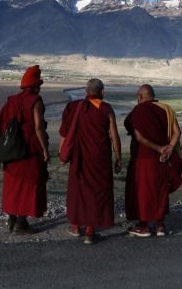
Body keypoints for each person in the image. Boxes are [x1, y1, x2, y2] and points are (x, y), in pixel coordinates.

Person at [58, 78, 122, 245]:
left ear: (86, 92)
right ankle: (90, 232)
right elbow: (114, 135)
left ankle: (76, 226)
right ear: (103, 92)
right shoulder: (106, 108)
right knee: (97, 193)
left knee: (78, 192)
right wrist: (119, 158)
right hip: (99, 158)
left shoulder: (73, 107)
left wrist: (62, 153)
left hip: (79, 158)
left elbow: (65, 133)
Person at [0, 65, 50, 234]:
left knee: (13, 185)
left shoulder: (12, 100)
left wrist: (1, 144)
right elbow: (38, 127)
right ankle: (21, 222)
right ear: (36, 86)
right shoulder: (35, 101)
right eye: (39, 85)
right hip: (30, 150)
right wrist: (45, 150)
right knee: (30, 183)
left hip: (11, 151)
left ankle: (11, 219)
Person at [124, 84, 182, 237]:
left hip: (142, 160)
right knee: (160, 190)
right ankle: (160, 226)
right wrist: (169, 148)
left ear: (139, 97)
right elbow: (177, 132)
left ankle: (143, 226)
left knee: (143, 192)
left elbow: (139, 137)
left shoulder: (137, 111)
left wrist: (159, 148)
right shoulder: (166, 109)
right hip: (163, 160)